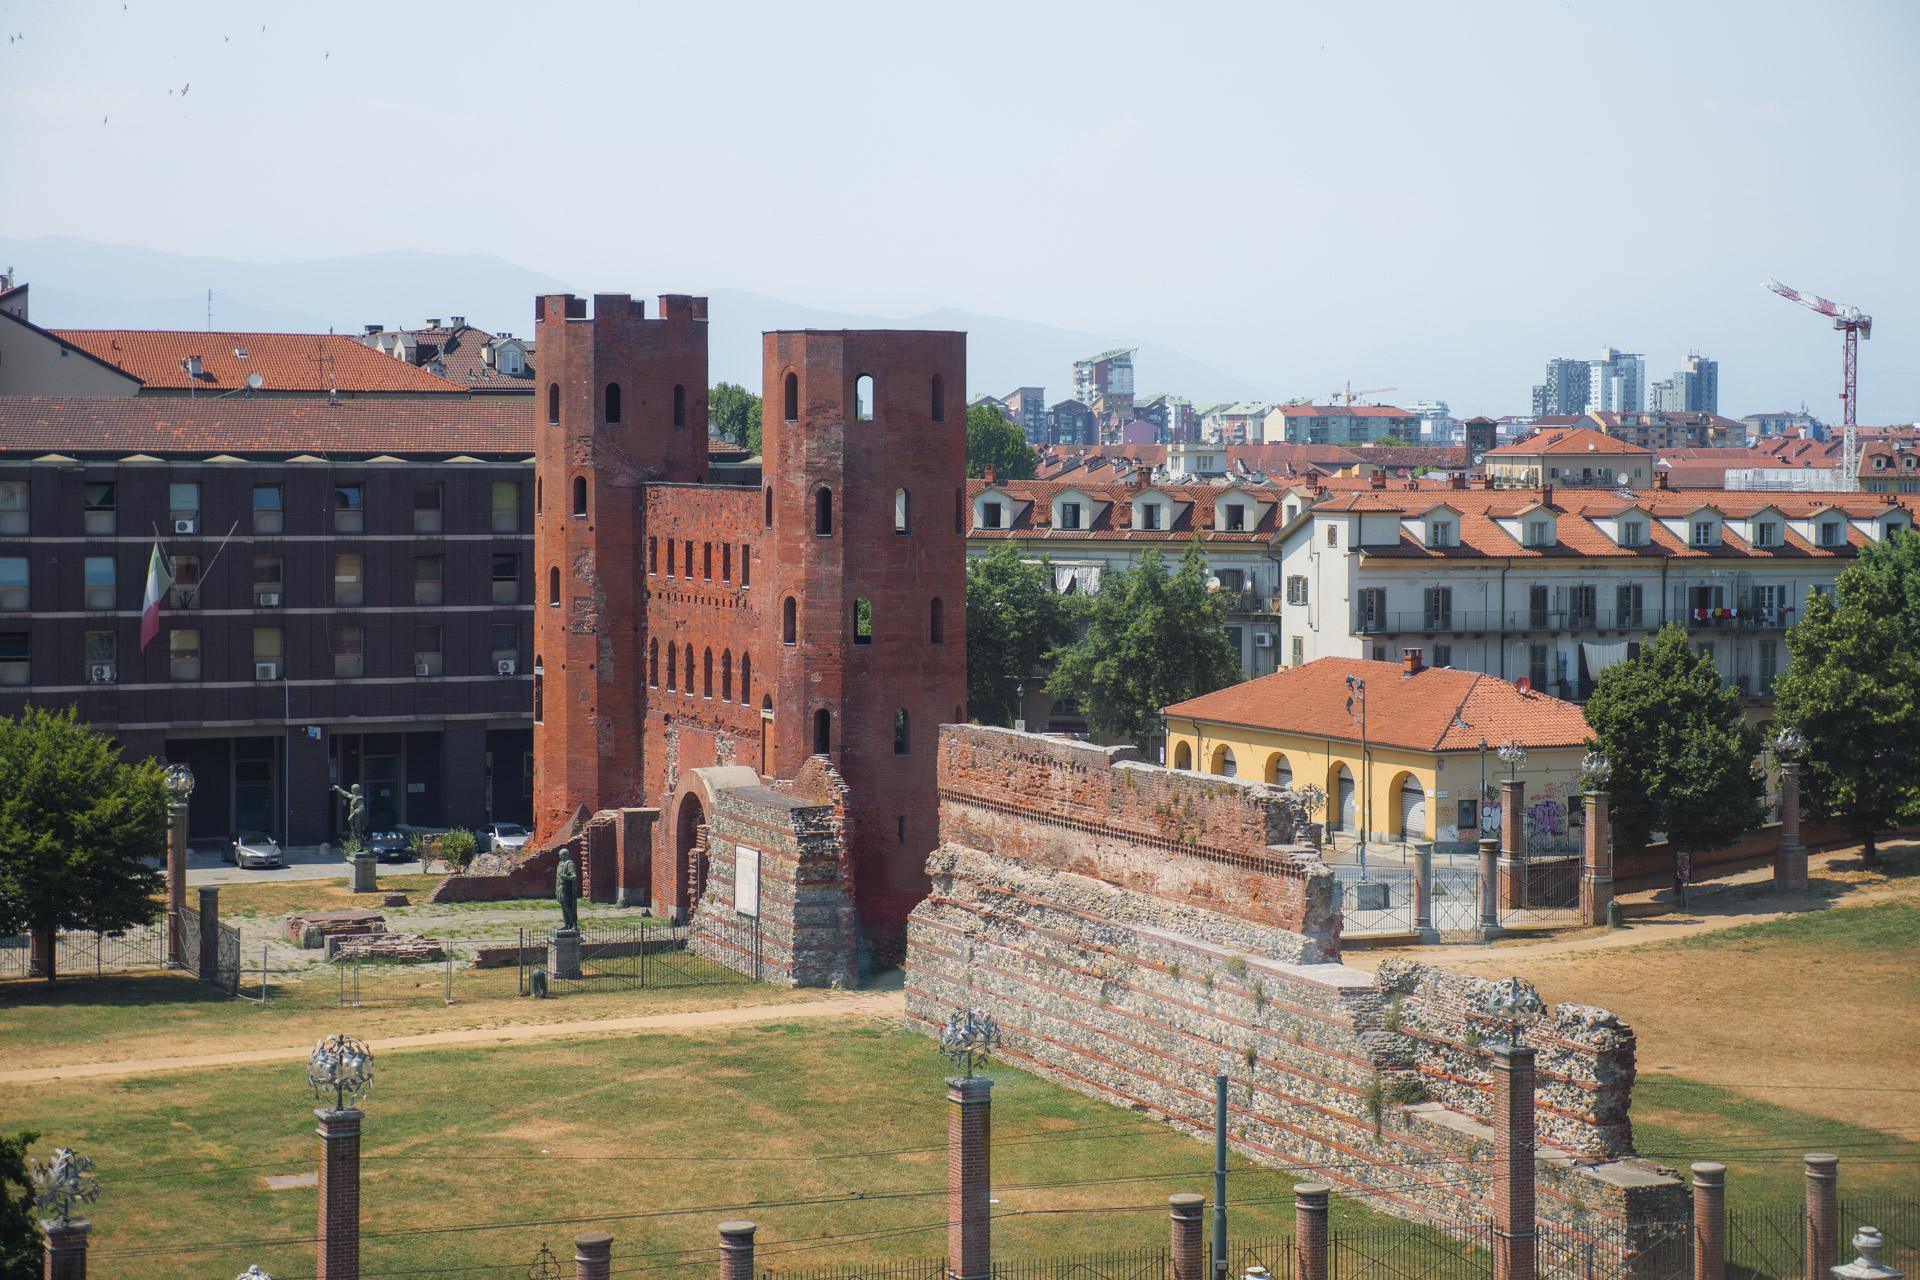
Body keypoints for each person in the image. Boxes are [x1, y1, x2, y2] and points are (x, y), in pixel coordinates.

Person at [555, 849, 580, 932]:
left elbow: (574, 876)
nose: (559, 857)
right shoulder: (560, 864)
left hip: (566, 889)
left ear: (565, 855)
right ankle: (566, 924)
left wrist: (565, 877)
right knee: (563, 907)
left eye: (560, 855)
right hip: (560, 889)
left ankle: (574, 924)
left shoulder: (570, 863)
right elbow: (557, 878)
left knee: (568, 907)